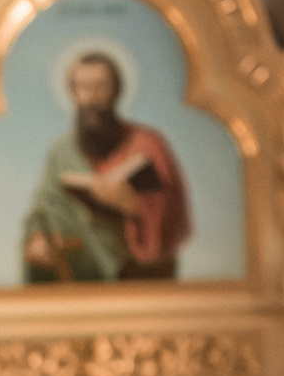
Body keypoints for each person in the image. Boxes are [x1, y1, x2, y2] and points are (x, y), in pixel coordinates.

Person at [21, 50, 193, 283]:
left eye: (100, 86)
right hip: (77, 259)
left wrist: (134, 206)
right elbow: (44, 206)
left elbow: (173, 212)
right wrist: (37, 236)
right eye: (83, 87)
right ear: (72, 93)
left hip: (133, 266)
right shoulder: (62, 151)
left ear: (116, 91)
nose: (91, 97)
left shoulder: (147, 144)